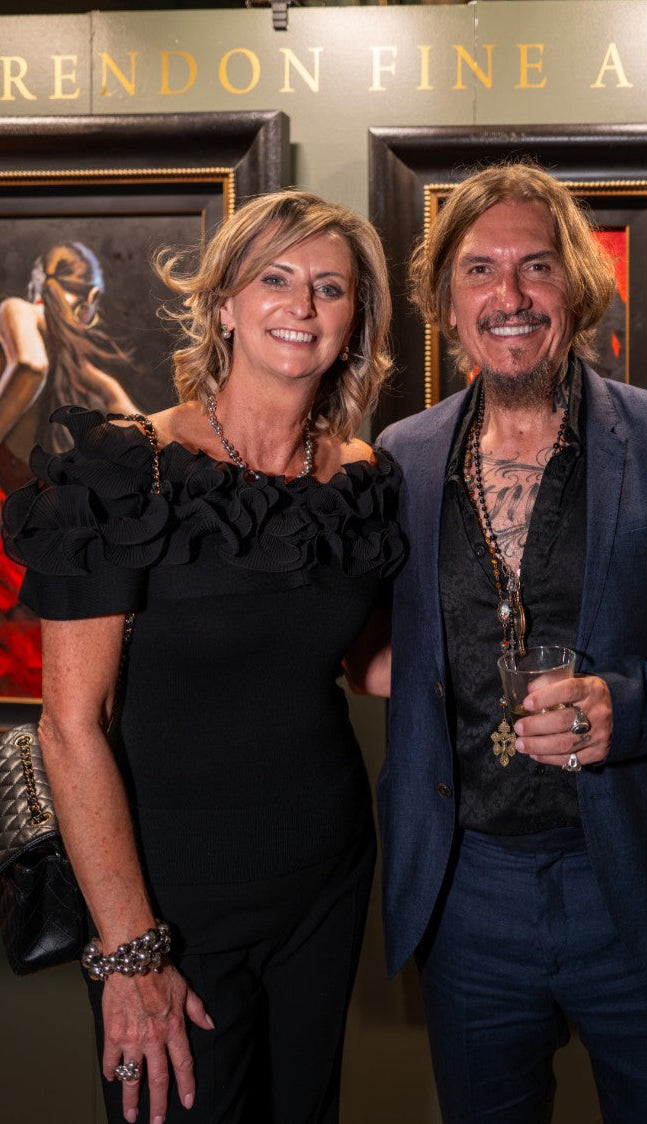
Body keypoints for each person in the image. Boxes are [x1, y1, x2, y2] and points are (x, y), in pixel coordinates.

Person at [370, 163, 647, 1124]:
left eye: (537, 266)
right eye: (478, 270)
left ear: (578, 287)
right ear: (446, 302)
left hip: (632, 880)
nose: (508, 295)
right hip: (465, 891)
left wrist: (627, 704)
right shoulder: (400, 457)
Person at [2, 190, 404, 1124]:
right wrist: (129, 951)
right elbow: (70, 728)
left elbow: (373, 668)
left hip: (325, 882)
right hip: (167, 903)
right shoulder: (126, 469)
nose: (301, 305)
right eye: (274, 279)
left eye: (329, 287)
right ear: (224, 305)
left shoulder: (360, 478)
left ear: (354, 320)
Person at [0, 241, 139, 453]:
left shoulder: (66, 354)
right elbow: (32, 366)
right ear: (92, 297)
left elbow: (33, 367)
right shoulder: (21, 311)